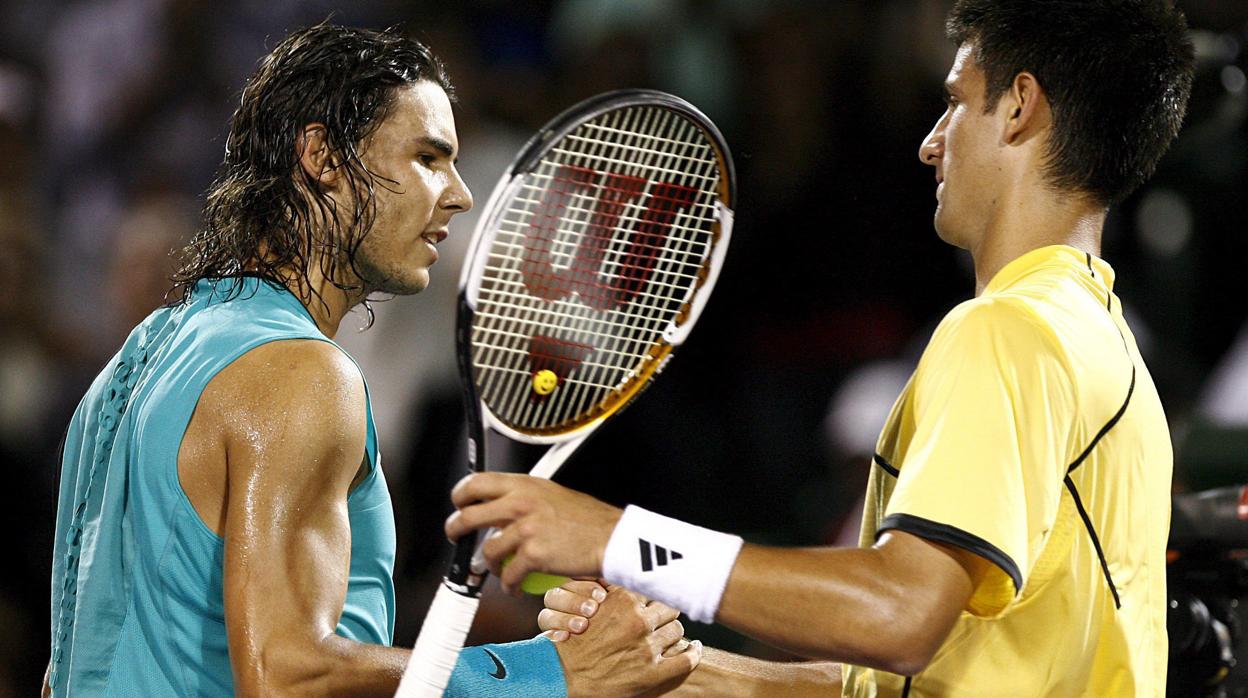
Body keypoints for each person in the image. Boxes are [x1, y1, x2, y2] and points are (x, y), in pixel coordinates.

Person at [446, 1, 1196, 695]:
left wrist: (617, 539)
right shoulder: (1104, 343)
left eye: (956, 101)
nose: (931, 143)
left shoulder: (1005, 333)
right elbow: (922, 677)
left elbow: (898, 616)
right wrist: (684, 668)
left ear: (1020, 106)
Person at [45, 23, 698, 697]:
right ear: (323, 156)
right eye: (427, 158)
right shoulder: (301, 374)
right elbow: (288, 676)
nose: (459, 193)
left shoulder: (138, 358)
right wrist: (545, 675)